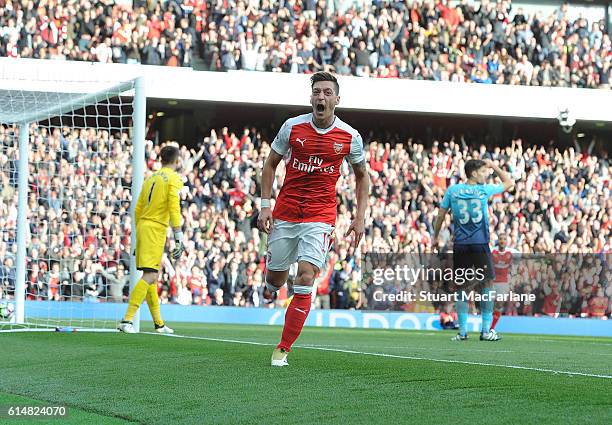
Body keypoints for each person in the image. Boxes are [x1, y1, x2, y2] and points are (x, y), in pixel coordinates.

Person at [258, 72, 370, 366]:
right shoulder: (292, 127)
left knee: (305, 277)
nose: (321, 97)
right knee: (274, 280)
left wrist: (359, 218)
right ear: (311, 98)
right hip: (286, 212)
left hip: (320, 216)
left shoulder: (349, 136)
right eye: (317, 92)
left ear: (337, 99)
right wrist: (265, 204)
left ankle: (283, 349)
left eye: (327, 93)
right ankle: (272, 282)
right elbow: (270, 164)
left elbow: (362, 177)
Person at [433, 159, 514, 341]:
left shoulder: (453, 190)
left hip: (461, 245)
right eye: (484, 171)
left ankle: (462, 332)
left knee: (462, 287)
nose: (486, 174)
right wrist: (494, 165)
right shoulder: (483, 190)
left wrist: (435, 237)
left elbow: (440, 215)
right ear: (474, 173)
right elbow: (509, 183)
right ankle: (486, 331)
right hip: (480, 245)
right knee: (486, 285)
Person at [118, 145, 185, 334]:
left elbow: (138, 208)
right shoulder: (173, 179)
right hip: (156, 228)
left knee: (152, 277)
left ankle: (159, 324)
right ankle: (127, 320)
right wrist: (178, 235)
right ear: (177, 160)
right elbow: (174, 207)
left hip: (143, 227)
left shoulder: (150, 178)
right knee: (150, 275)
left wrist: (139, 234)